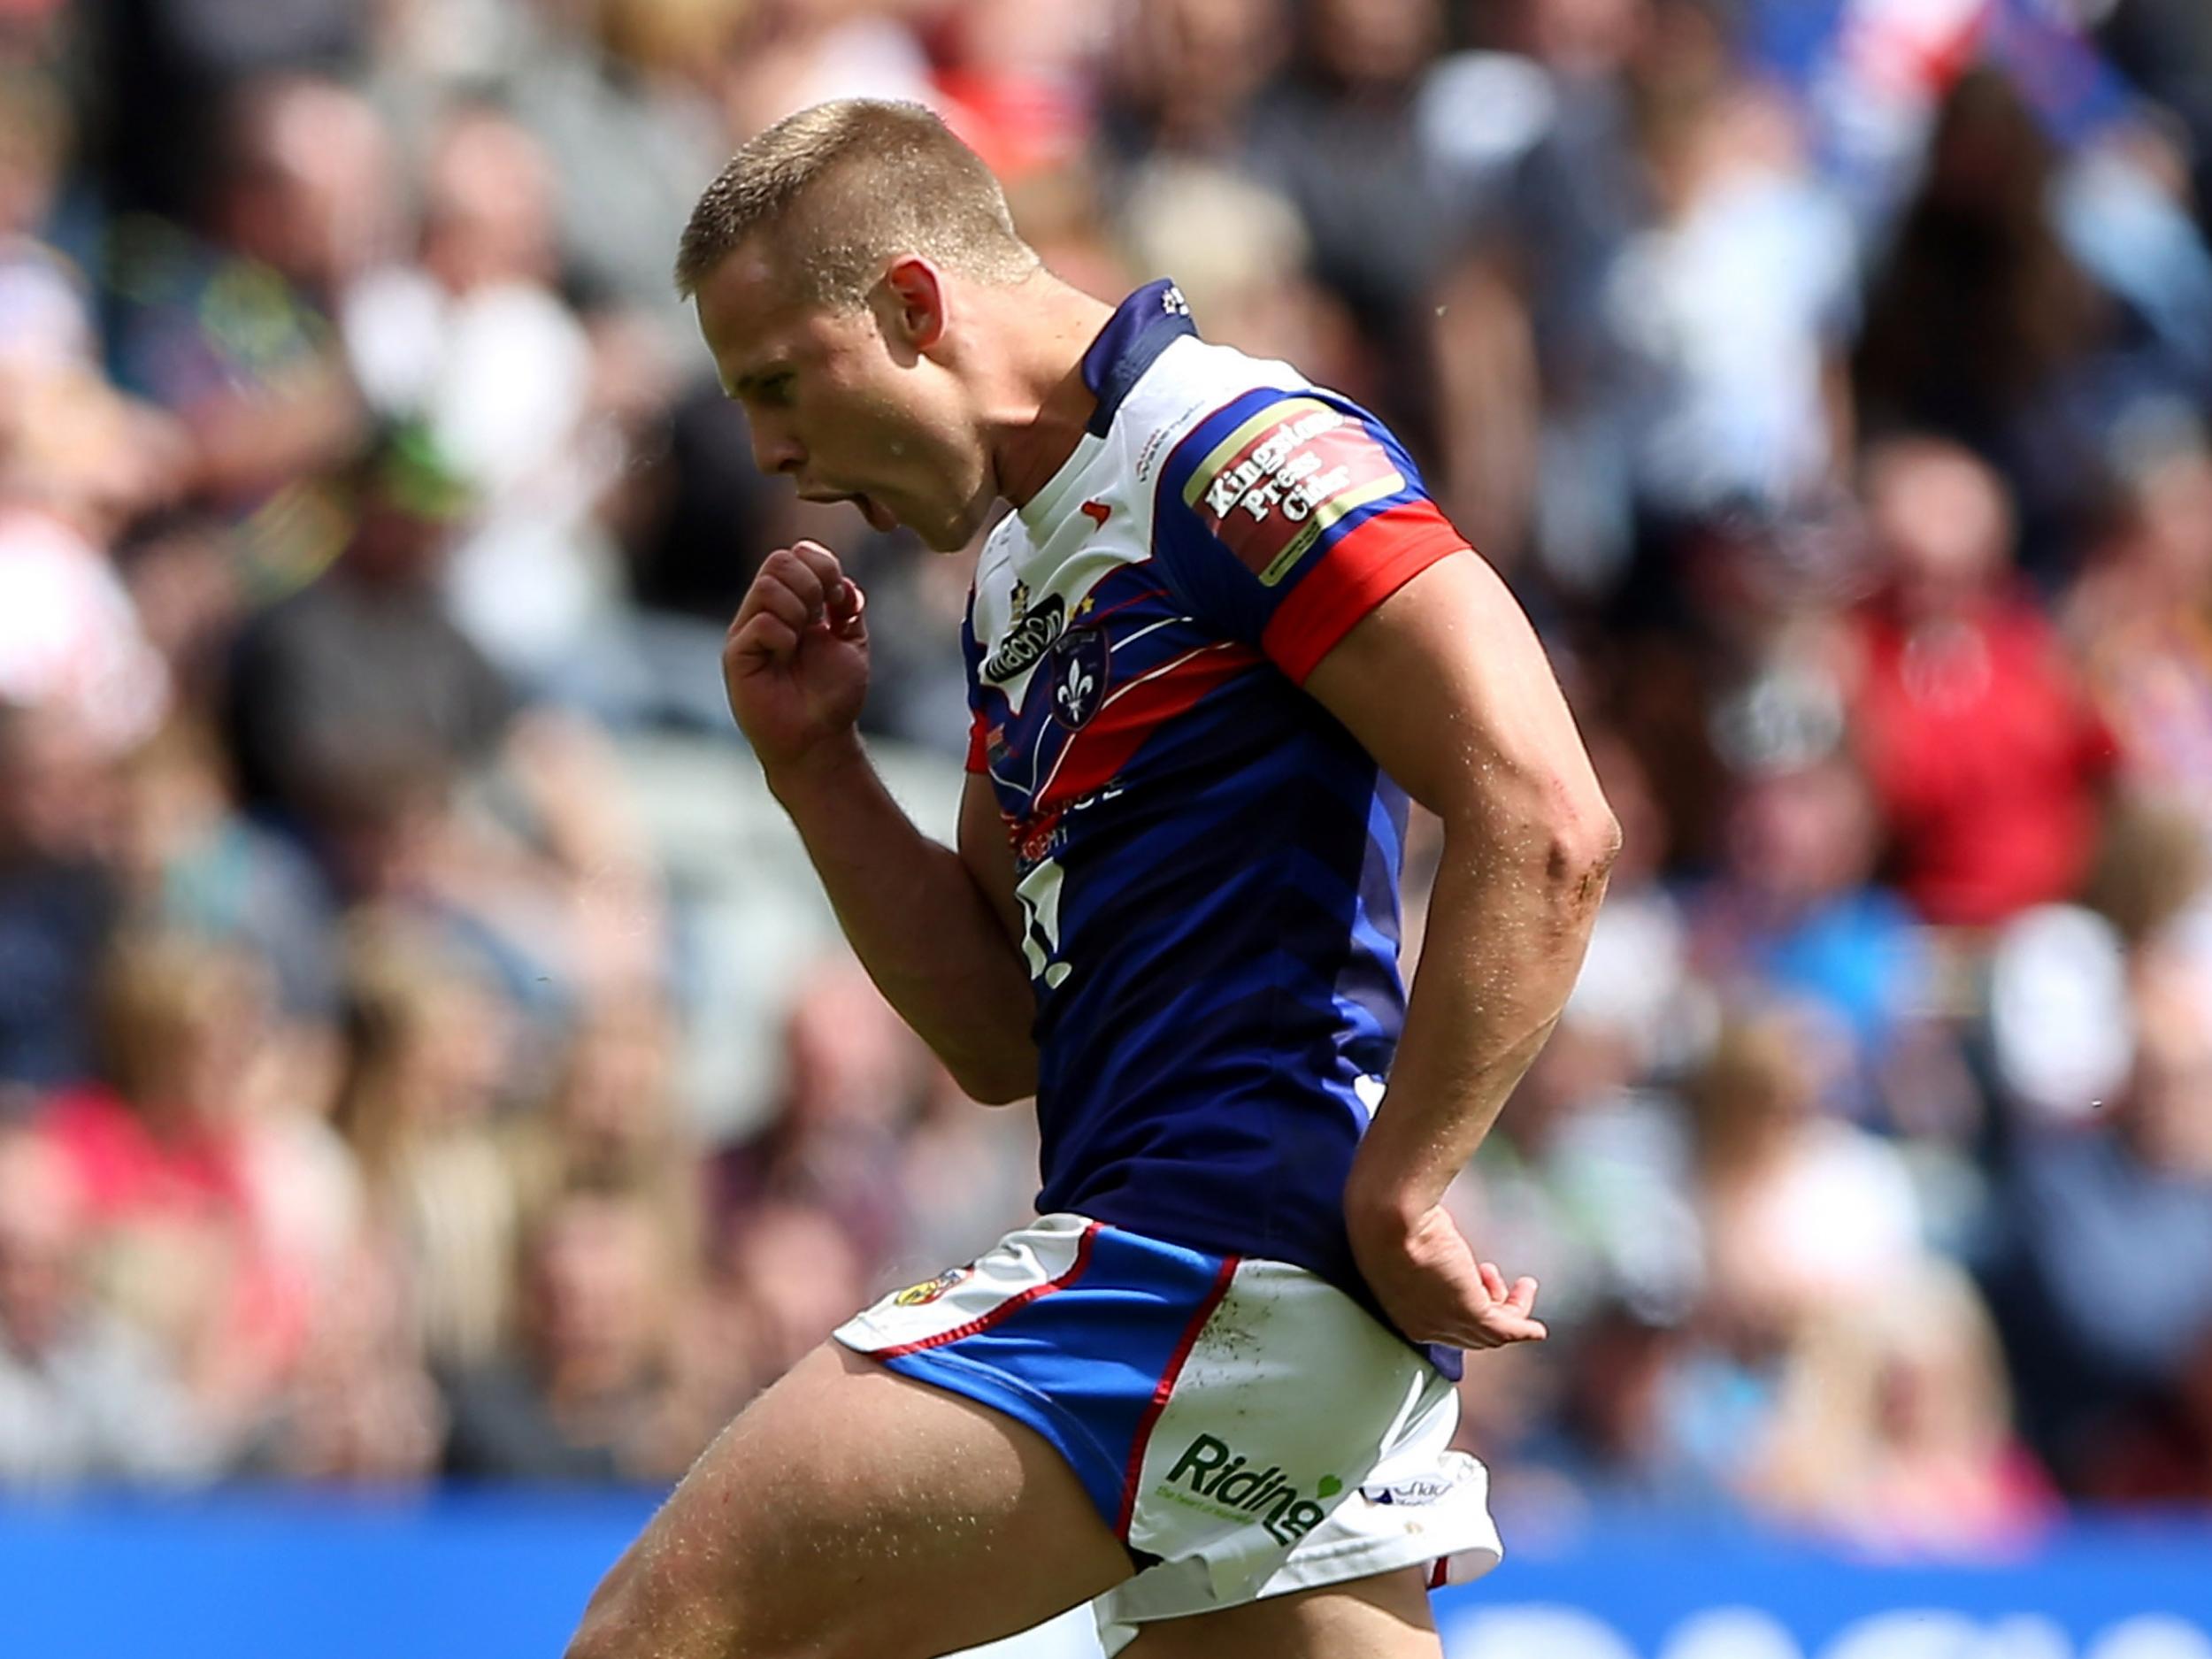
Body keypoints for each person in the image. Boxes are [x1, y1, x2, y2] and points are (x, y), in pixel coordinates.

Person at [569, 99, 1618, 1659]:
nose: (771, 451)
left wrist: (1404, 1185)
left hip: (1215, 1264)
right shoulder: (1020, 566)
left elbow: (1542, 813)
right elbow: (1002, 1035)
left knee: (670, 1636)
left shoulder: (1233, 452)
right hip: (1249, 1317)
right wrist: (816, 770)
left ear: (915, 305)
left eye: (781, 383)